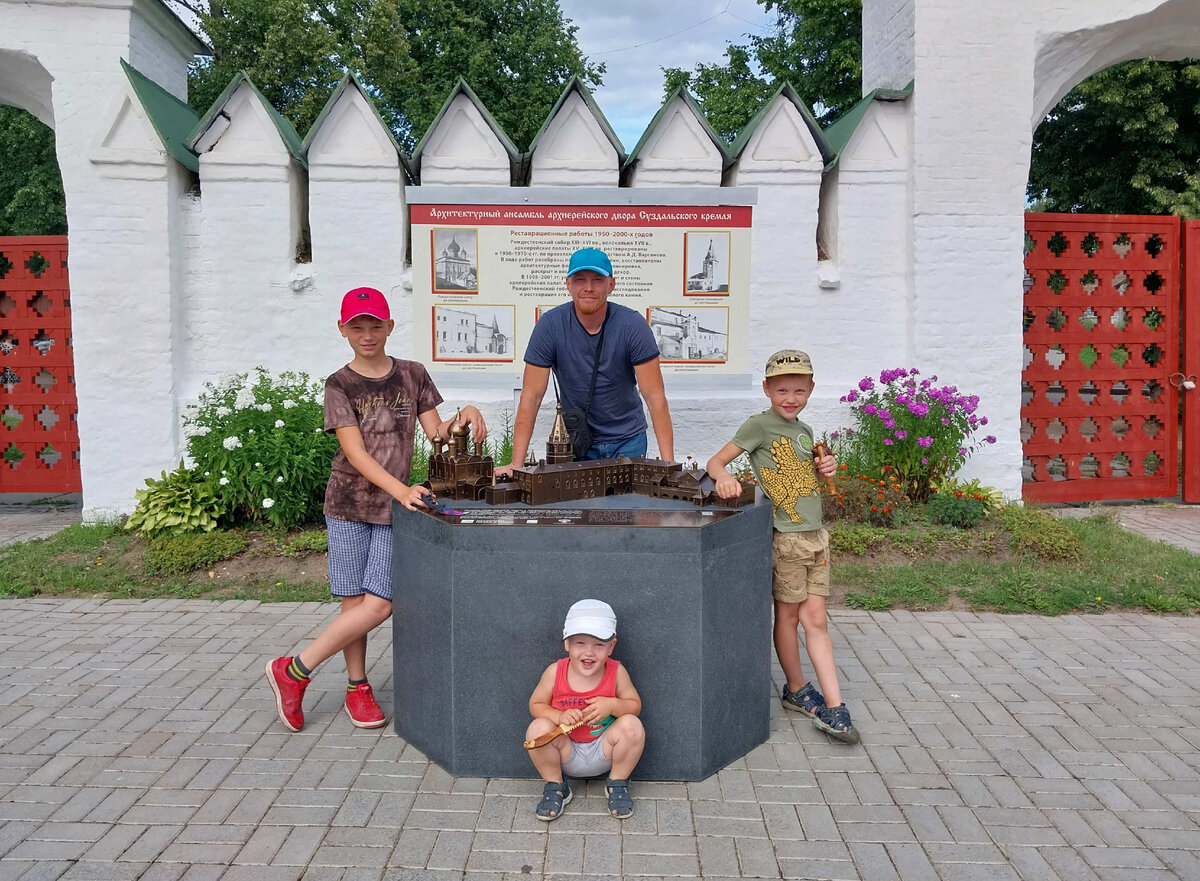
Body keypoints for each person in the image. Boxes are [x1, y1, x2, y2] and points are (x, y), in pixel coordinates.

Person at [265, 286, 487, 732]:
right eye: (357, 326)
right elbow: (357, 453)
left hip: (391, 511)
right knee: (355, 606)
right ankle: (357, 686)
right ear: (343, 330)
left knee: (379, 604)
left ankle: (292, 671)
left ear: (389, 326)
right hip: (347, 504)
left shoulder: (412, 374)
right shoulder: (339, 384)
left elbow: (437, 433)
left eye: (375, 325)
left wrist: (464, 413)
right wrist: (401, 489)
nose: (367, 334)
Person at [705, 350, 860, 744]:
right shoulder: (759, 425)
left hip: (815, 537)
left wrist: (826, 467)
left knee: (818, 621)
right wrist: (723, 477)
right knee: (789, 619)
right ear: (767, 390)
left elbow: (806, 475)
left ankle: (835, 704)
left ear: (810, 390)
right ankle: (796, 688)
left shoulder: (805, 431)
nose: (790, 398)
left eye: (799, 390)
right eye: (782, 390)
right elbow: (716, 461)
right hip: (786, 539)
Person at [494, 247, 673, 476]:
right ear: (568, 284)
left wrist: (670, 467)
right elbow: (532, 396)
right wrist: (516, 464)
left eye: (597, 280)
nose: (588, 288)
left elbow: (655, 396)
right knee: (579, 510)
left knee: (628, 509)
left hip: (628, 441)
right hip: (578, 442)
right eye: (580, 280)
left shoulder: (633, 326)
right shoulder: (550, 326)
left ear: (611, 285)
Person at [525, 599, 645, 821]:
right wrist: (558, 716)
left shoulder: (616, 672)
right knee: (537, 729)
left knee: (632, 725)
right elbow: (536, 704)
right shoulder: (555, 672)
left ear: (611, 646)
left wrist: (613, 705)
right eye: (580, 643)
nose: (589, 652)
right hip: (565, 750)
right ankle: (557, 785)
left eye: (599, 645)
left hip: (604, 749)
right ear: (567, 644)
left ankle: (617, 783)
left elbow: (634, 705)